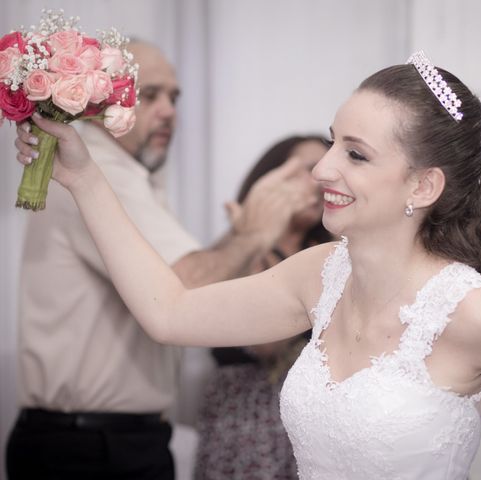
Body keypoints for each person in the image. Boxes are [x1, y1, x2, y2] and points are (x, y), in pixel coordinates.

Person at [13, 50, 481, 479]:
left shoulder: (475, 315)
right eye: (333, 140)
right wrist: (83, 176)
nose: (321, 169)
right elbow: (168, 312)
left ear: (422, 187)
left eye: (356, 155)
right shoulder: (318, 274)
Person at [5, 41, 317, 480]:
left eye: (174, 97)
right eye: (149, 95)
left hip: (107, 439)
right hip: (89, 447)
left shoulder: (133, 176)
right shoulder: (102, 173)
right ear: (95, 101)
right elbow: (183, 286)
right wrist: (254, 232)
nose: (169, 111)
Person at [195, 135, 332, 480]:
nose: (318, 183)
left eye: (325, 171)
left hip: (313, 420)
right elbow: (264, 342)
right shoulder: (239, 247)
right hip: (246, 415)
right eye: (305, 171)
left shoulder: (330, 255)